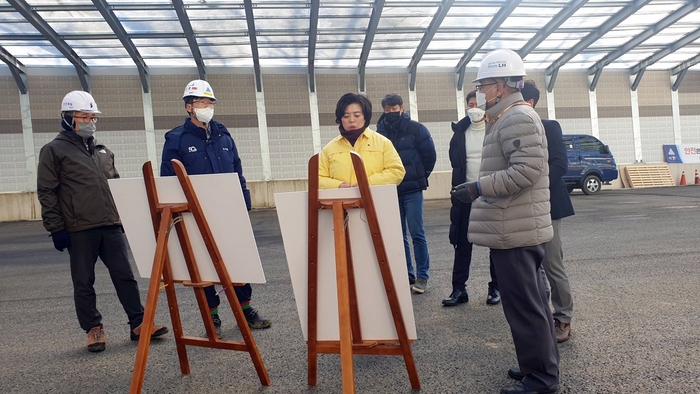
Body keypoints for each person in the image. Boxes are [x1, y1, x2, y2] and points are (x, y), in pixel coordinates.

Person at [451, 49, 559, 394]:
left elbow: (527, 171)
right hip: (515, 226)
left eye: (483, 85)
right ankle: (536, 367)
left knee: (526, 307)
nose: (480, 92)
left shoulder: (516, 118)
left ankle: (542, 379)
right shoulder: (508, 117)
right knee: (533, 303)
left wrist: (479, 188)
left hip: (514, 228)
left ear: (500, 86)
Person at [37, 91, 168, 353]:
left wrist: (125, 218)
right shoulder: (53, 151)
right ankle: (93, 329)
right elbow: (47, 191)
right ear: (67, 118)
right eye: (83, 117)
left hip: (110, 225)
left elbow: (116, 187)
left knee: (125, 276)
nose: (89, 121)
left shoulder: (103, 150)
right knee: (84, 281)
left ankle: (139, 323)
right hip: (78, 229)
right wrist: (56, 228)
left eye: (92, 117)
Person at [160, 80, 271, 338]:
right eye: (201, 102)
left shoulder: (223, 134)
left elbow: (237, 171)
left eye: (210, 102)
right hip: (195, 214)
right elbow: (168, 179)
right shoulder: (176, 139)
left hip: (229, 212)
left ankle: (246, 309)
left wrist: (244, 202)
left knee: (237, 261)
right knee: (203, 265)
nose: (207, 107)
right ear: (189, 107)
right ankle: (212, 315)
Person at [521, 80, 575, 343]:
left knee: (552, 263)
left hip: (549, 206)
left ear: (529, 103)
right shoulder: (511, 128)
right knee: (530, 266)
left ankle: (563, 318)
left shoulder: (549, 127)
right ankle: (541, 316)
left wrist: (531, 185)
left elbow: (559, 165)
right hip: (521, 209)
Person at [442, 90, 500, 307]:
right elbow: (454, 160)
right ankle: (459, 289)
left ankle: (496, 287)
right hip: (465, 194)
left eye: (478, 103)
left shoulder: (495, 127)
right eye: (470, 104)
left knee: (495, 243)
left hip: (490, 193)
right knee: (462, 243)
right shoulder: (459, 131)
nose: (474, 107)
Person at [376, 94, 436, 294]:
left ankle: (422, 276)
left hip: (413, 191)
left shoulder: (417, 129)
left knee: (417, 233)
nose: (391, 112)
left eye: (394, 108)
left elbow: (430, 156)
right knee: (398, 235)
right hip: (391, 190)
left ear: (402, 108)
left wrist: (420, 176)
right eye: (387, 109)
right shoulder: (380, 133)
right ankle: (407, 273)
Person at [318, 92, 405, 189]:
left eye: (357, 115)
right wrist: (338, 185)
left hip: (375, 202)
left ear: (365, 117)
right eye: (346, 116)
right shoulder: (329, 149)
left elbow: (397, 171)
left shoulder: (383, 143)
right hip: (341, 202)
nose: (351, 120)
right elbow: (318, 179)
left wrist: (368, 183)